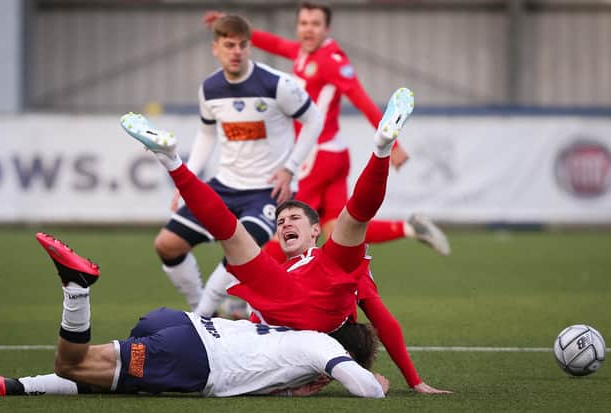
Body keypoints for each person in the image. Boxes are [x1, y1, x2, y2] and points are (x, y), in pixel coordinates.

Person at [122, 87, 449, 394]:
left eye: (294, 219)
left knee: (350, 219)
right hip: (288, 295)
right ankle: (171, 159)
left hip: (326, 291)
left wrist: (414, 380)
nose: (285, 223)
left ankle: (381, 147)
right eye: (280, 221)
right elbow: (257, 333)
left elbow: (383, 320)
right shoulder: (281, 267)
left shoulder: (328, 263)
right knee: (233, 233)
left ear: (314, 231)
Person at [0, 233, 387, 398]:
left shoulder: (288, 335)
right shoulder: (318, 345)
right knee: (72, 365)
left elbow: (284, 381)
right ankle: (76, 289)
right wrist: (375, 381)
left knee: (119, 379)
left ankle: (14, 386)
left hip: (182, 326)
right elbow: (363, 388)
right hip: (196, 356)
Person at [203, 5, 450, 253]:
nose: (308, 30)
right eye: (303, 23)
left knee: (284, 233)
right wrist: (232, 26)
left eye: (315, 24)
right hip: (334, 156)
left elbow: (360, 98)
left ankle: (237, 289)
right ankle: (410, 228)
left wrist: (393, 144)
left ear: (327, 29)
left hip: (315, 157)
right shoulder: (304, 53)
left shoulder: (330, 60)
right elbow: (277, 44)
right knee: (337, 230)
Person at [152, 14, 323, 313]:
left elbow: (314, 119)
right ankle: (205, 309)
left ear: (250, 47)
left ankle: (200, 320)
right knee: (167, 245)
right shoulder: (210, 89)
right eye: (229, 45)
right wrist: (187, 182)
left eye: (243, 45)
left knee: (237, 254)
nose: (237, 52)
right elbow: (207, 134)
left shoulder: (277, 84)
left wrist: (290, 167)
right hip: (225, 186)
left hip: (267, 192)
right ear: (215, 48)